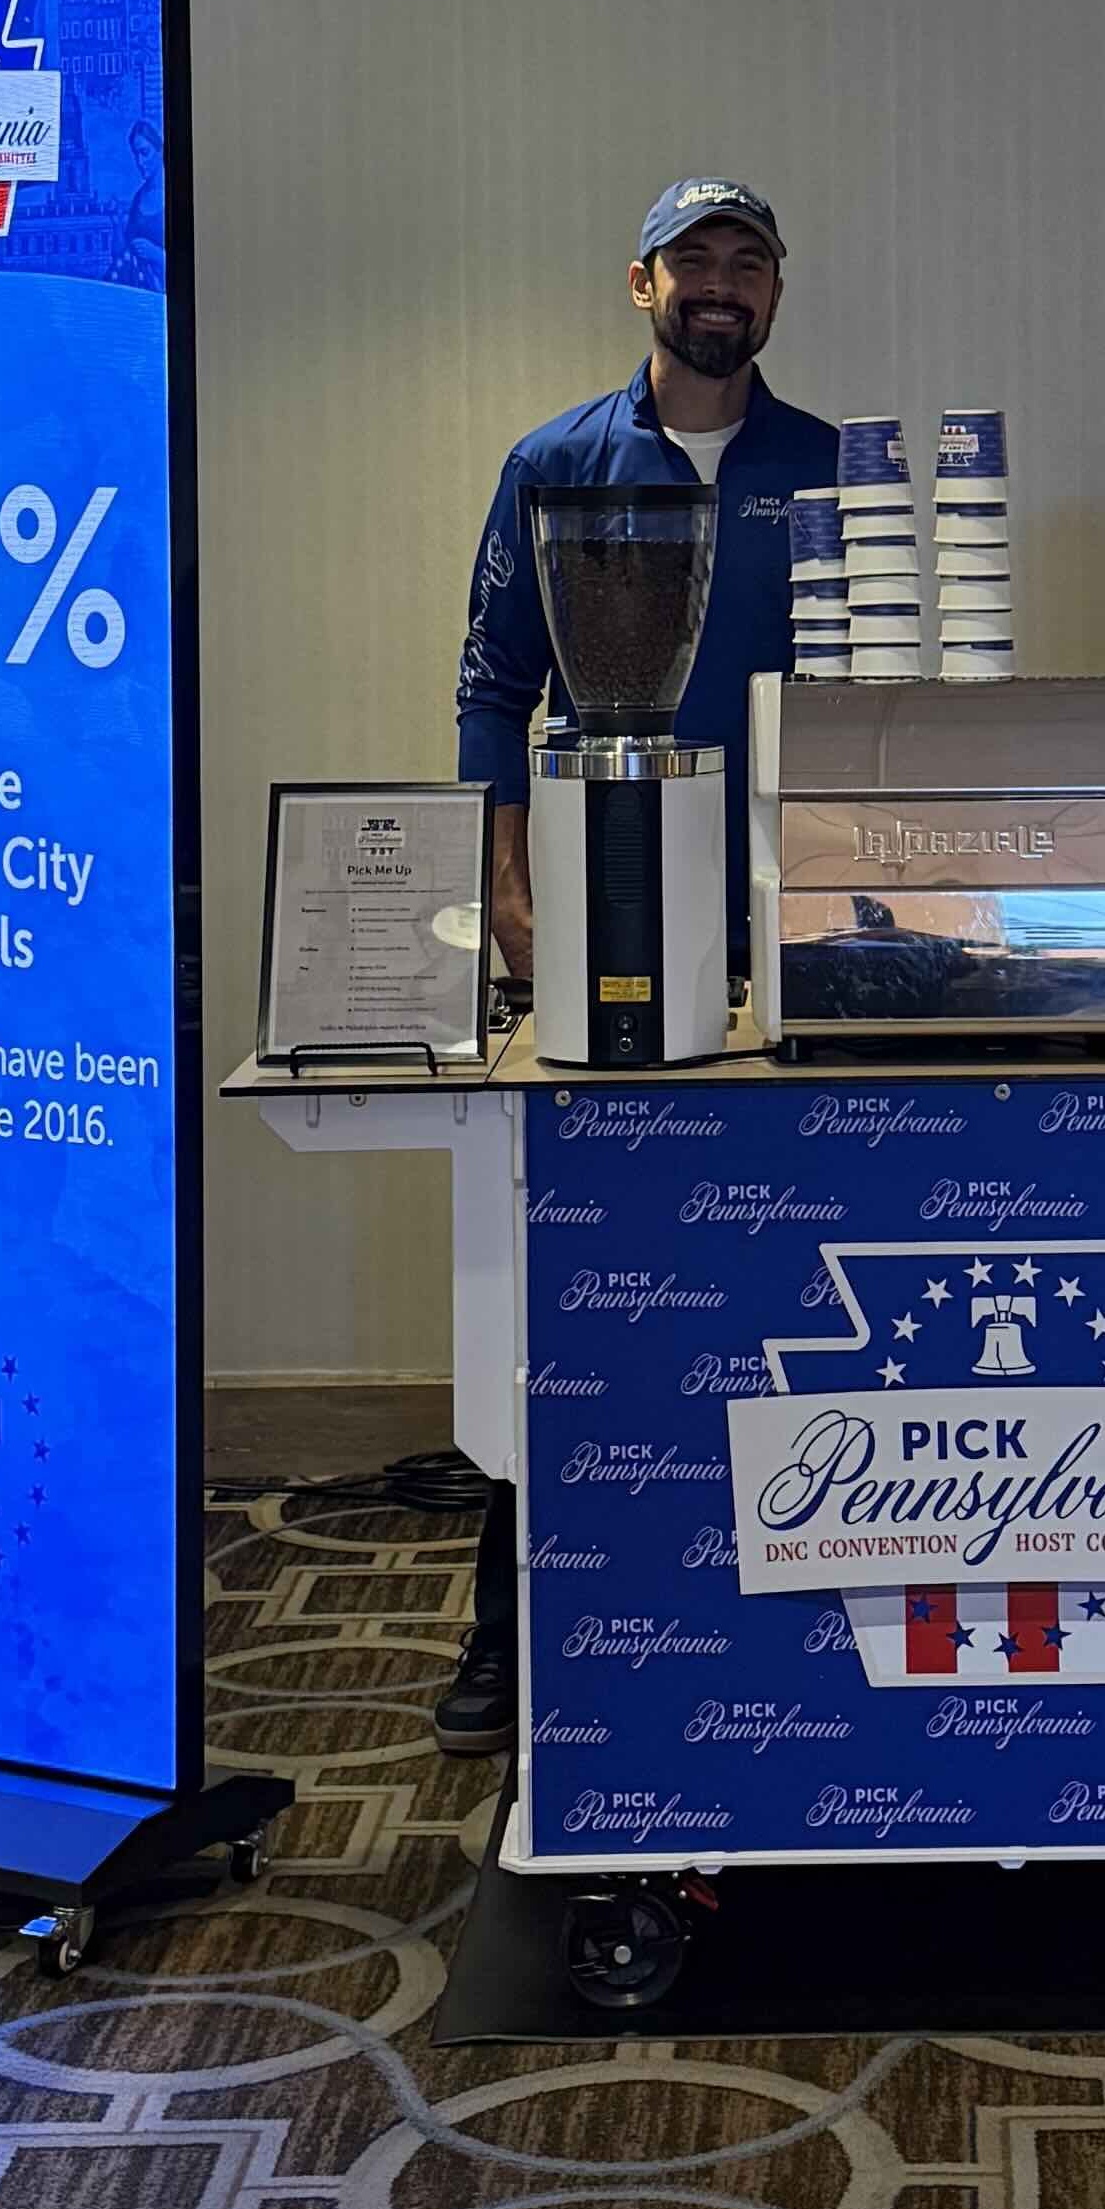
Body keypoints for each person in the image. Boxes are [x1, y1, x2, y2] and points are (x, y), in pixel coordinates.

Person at [437, 179, 836, 1748]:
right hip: (609, 909)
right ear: (641, 284)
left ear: (777, 290)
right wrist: (510, 890)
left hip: (794, 919)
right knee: (571, 1276)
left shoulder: (830, 470)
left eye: (750, 260)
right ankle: (508, 1630)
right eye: (696, 261)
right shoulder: (556, 462)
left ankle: (770, 1602)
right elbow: (490, 683)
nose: (722, 285)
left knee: (782, 1273)